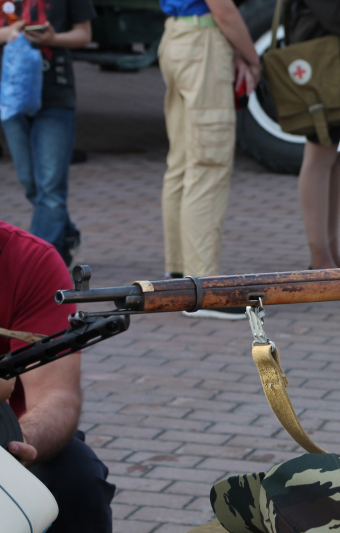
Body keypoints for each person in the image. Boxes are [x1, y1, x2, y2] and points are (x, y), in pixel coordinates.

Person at [0, 221, 115, 533]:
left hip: (8, 439)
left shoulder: (28, 260)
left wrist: (15, 447)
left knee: (76, 473)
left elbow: (56, 395)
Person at [158, 0, 259, 319]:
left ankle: (178, 274)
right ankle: (202, 287)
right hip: (202, 40)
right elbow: (223, 8)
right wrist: (253, 58)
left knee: (182, 162)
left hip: (175, 35)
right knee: (208, 165)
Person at [0, 0, 95, 267]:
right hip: (11, 95)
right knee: (31, 183)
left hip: (55, 94)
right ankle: (66, 233)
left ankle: (40, 264)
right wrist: (10, 33)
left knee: (50, 186)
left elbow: (84, 34)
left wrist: (53, 39)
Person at [292, 0, 340, 271]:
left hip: (330, 64)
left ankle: (330, 252)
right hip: (322, 68)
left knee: (333, 158)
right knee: (319, 154)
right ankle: (319, 256)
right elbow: (338, 17)